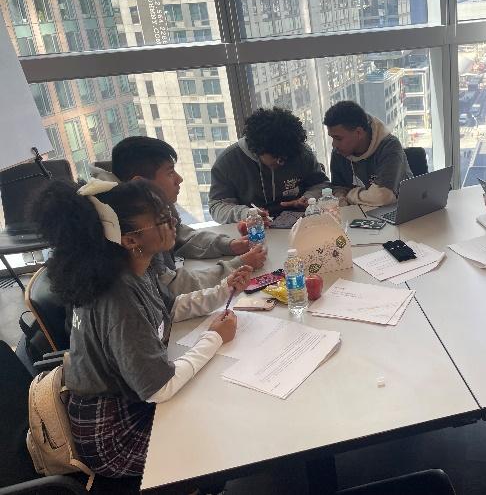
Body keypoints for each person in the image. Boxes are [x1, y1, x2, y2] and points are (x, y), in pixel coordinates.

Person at [36, 177, 252, 483]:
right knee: (223, 435)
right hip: (114, 433)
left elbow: (168, 308)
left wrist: (222, 290)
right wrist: (215, 337)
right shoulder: (118, 296)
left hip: (132, 403)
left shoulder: (132, 269)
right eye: (162, 218)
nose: (173, 221)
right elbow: (159, 388)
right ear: (130, 240)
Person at [91, 136, 266, 298]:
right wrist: (237, 265)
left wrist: (230, 246)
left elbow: (181, 236)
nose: (179, 179)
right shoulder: (129, 224)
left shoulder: (145, 205)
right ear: (140, 183)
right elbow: (169, 286)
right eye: (170, 172)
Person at [209, 107, 329, 222]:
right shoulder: (228, 162)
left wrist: (308, 198)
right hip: (252, 228)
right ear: (256, 150)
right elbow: (217, 206)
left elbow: (321, 184)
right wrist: (247, 214)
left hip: (299, 223)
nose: (282, 163)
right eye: (278, 159)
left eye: (287, 158)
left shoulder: (301, 152)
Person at [324, 100, 412, 206]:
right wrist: (341, 197)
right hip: (360, 215)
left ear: (359, 133)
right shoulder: (340, 152)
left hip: (400, 211)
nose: (334, 145)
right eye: (332, 138)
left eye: (338, 138)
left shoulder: (389, 147)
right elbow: (338, 187)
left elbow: (382, 197)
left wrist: (349, 195)